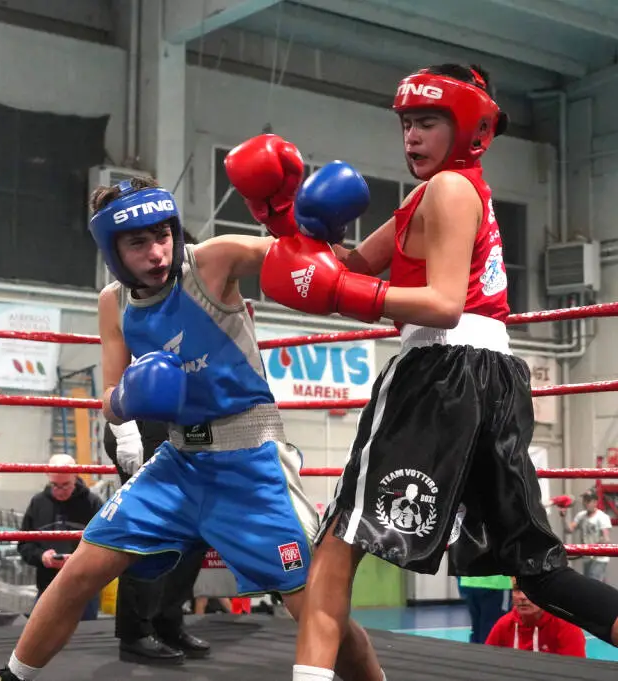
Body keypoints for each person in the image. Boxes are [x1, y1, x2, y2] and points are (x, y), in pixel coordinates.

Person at [228, 63, 618, 681]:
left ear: (471, 131)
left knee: (336, 547)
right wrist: (283, 221)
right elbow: (349, 264)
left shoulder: (450, 190)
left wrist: (346, 292)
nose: (411, 136)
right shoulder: (428, 196)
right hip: (492, 375)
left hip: (441, 367)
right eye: (407, 122)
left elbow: (439, 303)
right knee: (540, 571)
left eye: (429, 122)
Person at [0, 173, 384, 681]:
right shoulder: (114, 303)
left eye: (163, 235)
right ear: (113, 251)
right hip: (177, 464)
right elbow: (109, 399)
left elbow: (300, 257)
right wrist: (130, 396)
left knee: (314, 606)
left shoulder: (211, 261)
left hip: (250, 461)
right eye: (139, 242)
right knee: (79, 571)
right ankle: (12, 677)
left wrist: (301, 220)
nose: (157, 252)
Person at [103, 418, 209, 664]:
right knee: (148, 526)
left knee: (191, 529)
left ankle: (167, 623)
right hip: (143, 426)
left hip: (185, 427)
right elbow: (115, 385)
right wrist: (126, 432)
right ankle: (135, 634)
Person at [16, 454, 103, 622]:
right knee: (41, 640)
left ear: (76, 476)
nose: (60, 491)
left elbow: (105, 545)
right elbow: (24, 544)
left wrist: (79, 559)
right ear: (48, 477)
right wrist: (42, 557)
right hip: (47, 585)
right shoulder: (38, 503)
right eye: (55, 485)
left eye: (65, 485)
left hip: (84, 588)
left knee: (86, 640)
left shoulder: (92, 504)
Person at [484, 582, 586, 657]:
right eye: (517, 589)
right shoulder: (504, 624)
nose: (523, 597)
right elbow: (486, 664)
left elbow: (576, 672)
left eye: (531, 590)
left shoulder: (566, 627)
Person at [560, 490, 612, 582]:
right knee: (590, 583)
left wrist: (595, 548)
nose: (585, 503)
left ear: (595, 502)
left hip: (598, 558)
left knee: (594, 585)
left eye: (588, 501)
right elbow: (569, 530)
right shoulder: (581, 516)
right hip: (587, 556)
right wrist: (564, 517)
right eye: (584, 500)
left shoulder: (602, 517)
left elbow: (606, 539)